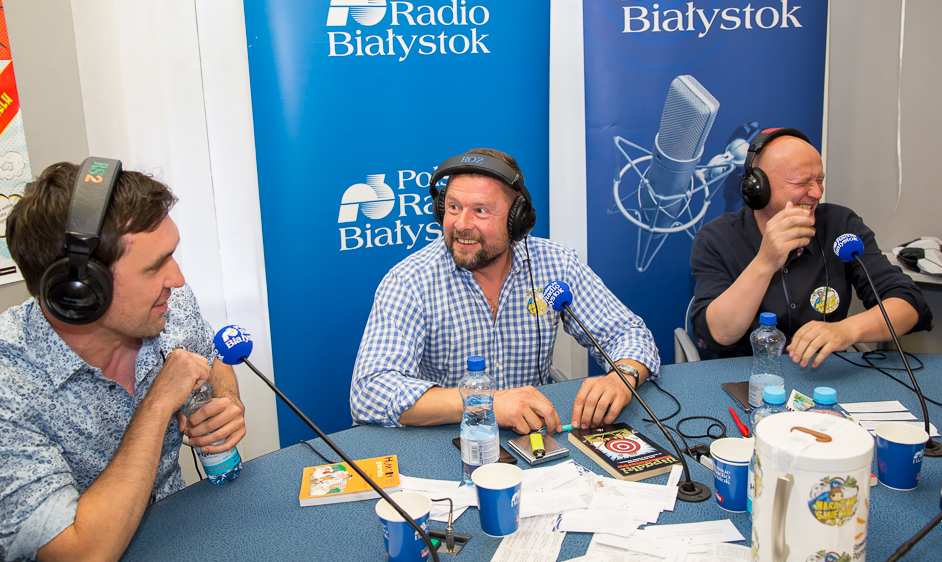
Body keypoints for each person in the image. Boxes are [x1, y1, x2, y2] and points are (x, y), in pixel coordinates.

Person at [0, 159, 246, 562]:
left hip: (178, 541)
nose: (177, 278)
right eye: (155, 266)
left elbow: (211, 357)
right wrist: (157, 403)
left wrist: (225, 401)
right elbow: (85, 561)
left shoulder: (165, 305)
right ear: (79, 291)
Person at [350, 148, 659, 434]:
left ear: (517, 220)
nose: (461, 224)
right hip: (450, 438)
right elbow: (369, 392)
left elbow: (628, 332)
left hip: (536, 434)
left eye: (480, 210)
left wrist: (622, 377)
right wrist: (484, 402)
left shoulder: (556, 263)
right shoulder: (409, 281)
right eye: (453, 207)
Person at [690, 128, 932, 366]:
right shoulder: (716, 238)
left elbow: (909, 304)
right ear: (758, 187)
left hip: (825, 375)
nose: (817, 193)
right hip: (747, 375)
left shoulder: (841, 226)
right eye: (802, 183)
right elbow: (718, 335)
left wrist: (848, 330)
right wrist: (766, 261)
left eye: (819, 180)